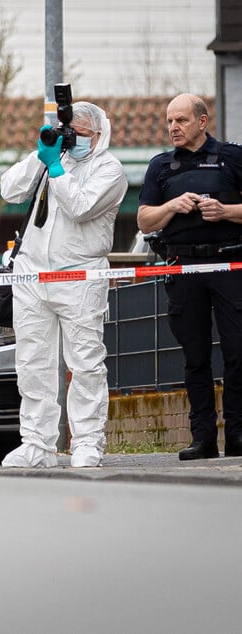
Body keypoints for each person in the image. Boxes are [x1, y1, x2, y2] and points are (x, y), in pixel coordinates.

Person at [0, 102, 128, 468]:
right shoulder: (55, 158)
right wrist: (41, 157)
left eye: (81, 135)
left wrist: (56, 168)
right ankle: (37, 443)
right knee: (32, 362)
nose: (74, 141)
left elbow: (80, 207)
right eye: (71, 132)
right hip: (33, 275)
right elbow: (9, 190)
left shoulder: (110, 170)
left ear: (99, 135)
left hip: (79, 276)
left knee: (85, 362)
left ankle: (87, 441)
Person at [137, 93, 242, 461]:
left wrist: (226, 211)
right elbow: (144, 219)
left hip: (229, 266)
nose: (173, 128)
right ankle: (203, 438)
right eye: (169, 121)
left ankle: (239, 434)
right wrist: (170, 206)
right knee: (194, 356)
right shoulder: (161, 166)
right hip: (183, 268)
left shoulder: (233, 157)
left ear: (202, 121)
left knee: (237, 351)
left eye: (181, 120)